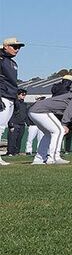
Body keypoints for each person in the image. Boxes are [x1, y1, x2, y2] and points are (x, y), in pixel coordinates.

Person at [29, 80, 72, 165]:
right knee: (59, 131)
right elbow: (70, 110)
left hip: (35, 110)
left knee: (48, 134)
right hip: (41, 110)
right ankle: (54, 158)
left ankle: (39, 159)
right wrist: (64, 124)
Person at [0, 37, 26, 166]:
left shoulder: (13, 63)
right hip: (3, 95)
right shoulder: (1, 60)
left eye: (19, 47)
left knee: (2, 127)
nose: (17, 49)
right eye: (14, 47)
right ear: (5, 47)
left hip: (10, 96)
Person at [3, 89, 28, 159]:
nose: (24, 96)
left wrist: (27, 123)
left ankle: (16, 152)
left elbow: (25, 114)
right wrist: (10, 124)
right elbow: (10, 114)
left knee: (19, 139)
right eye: (22, 94)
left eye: (25, 95)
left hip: (22, 124)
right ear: (18, 95)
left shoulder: (24, 104)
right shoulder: (14, 103)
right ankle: (10, 152)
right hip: (14, 123)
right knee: (12, 139)